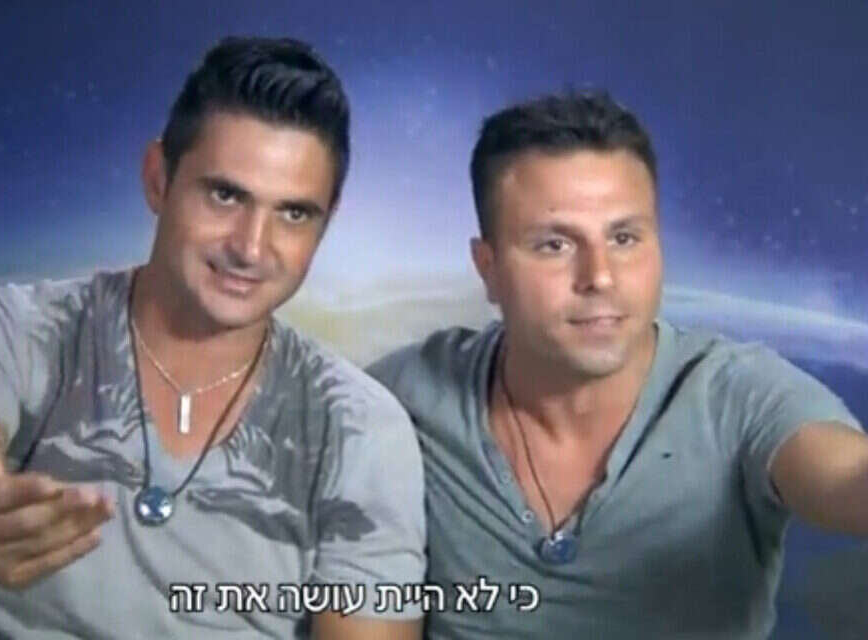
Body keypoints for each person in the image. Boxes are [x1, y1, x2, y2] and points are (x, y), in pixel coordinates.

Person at [0, 36, 425, 639]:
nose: (251, 247)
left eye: (293, 213)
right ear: (158, 179)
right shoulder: (8, 333)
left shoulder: (362, 428)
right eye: (225, 195)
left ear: (326, 222)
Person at [367, 90, 868, 639]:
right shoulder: (401, 401)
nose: (600, 276)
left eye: (624, 238)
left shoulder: (739, 395)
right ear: (488, 268)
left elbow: (845, 476)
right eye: (554, 245)